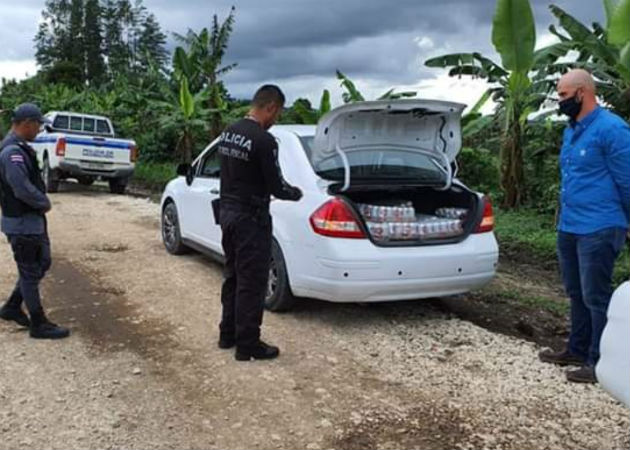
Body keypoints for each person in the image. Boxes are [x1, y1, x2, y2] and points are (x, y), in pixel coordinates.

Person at [539, 69, 630, 383]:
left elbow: (627, 179)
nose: (559, 101)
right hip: (571, 225)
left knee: (596, 295)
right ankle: (576, 348)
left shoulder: (612, 129)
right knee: (575, 292)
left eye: (563, 95)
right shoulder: (572, 129)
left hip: (601, 225)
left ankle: (599, 361)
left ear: (582, 93)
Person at [217, 85, 302, 361]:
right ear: (272, 107)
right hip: (251, 221)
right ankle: (248, 344)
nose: (276, 118)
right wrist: (297, 193)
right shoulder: (264, 141)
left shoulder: (228, 132)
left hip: (227, 215)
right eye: (278, 112)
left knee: (232, 276)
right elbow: (277, 186)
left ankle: (227, 334)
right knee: (252, 282)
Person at [0, 103, 70, 339]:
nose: (40, 130)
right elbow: (20, 188)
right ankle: (38, 323)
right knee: (30, 270)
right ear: (27, 123)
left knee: (42, 262)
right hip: (22, 222)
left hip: (29, 222)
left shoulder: (20, 147)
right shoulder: (12, 152)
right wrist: (43, 202)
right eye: (38, 125)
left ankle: (11, 307)